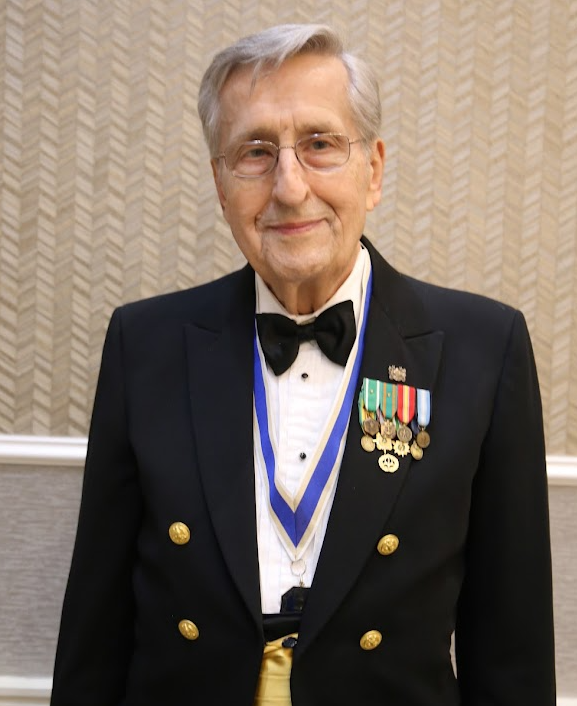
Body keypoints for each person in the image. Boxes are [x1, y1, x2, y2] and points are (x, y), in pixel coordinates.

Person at [50, 23, 555, 706]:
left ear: (372, 170)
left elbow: (511, 652)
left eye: (320, 145)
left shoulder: (483, 348)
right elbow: (95, 636)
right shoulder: (145, 344)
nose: (289, 187)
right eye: (254, 153)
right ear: (221, 182)